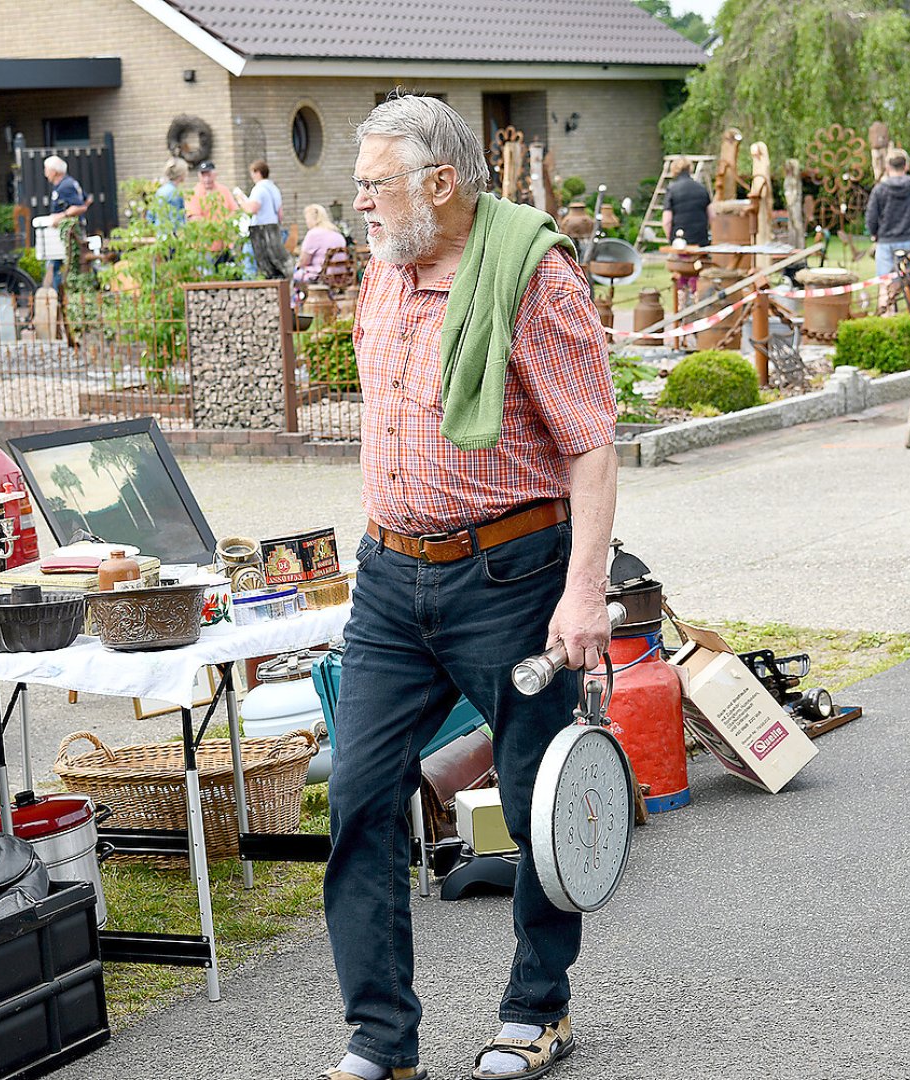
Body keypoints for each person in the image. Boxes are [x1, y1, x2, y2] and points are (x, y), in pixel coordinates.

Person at [323, 95, 616, 1080]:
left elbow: (591, 449)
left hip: (510, 576)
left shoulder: (532, 276)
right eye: (359, 183)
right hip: (389, 578)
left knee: (538, 801)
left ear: (439, 183)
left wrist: (582, 595)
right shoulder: (382, 271)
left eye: (376, 184)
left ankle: (539, 1009)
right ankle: (380, 1040)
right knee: (359, 796)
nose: (359, 202)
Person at [867, 150, 910, 280]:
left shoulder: (879, 189)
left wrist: (874, 233)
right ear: (906, 166)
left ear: (887, 167)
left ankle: (886, 297)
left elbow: (871, 216)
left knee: (885, 285)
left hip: (887, 241)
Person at [234, 159, 292, 279]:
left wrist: (240, 199)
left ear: (257, 172)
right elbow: (280, 214)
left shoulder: (258, 189)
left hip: (259, 231)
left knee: (249, 263)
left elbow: (252, 209)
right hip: (274, 230)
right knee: (272, 263)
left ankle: (249, 288)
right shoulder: (274, 188)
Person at [42, 154, 91, 289]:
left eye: (46, 169)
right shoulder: (70, 182)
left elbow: (80, 207)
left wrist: (63, 215)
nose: (45, 173)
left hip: (67, 234)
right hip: (68, 232)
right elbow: (88, 200)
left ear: (54, 171)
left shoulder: (65, 186)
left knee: (55, 265)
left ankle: (57, 298)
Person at [662, 154, 712, 248]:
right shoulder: (702, 188)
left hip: (681, 240)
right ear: (690, 169)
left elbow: (666, 221)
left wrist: (670, 239)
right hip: (701, 240)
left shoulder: (671, 190)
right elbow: (712, 216)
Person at [294, 204, 348, 285]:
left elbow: (304, 261)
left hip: (321, 277)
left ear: (313, 219)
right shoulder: (338, 234)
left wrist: (297, 265)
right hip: (340, 277)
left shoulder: (313, 234)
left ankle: (299, 297)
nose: (306, 222)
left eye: (307, 219)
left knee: (295, 274)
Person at [153, 157, 187, 229]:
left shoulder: (160, 191)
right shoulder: (176, 193)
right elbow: (177, 219)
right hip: (171, 236)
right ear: (181, 174)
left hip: (160, 233)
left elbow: (152, 215)